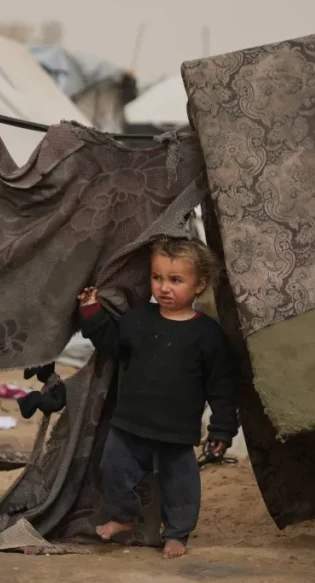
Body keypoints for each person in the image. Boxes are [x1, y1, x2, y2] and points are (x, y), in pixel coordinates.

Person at [78, 236, 239, 560]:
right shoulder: (138, 319)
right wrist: (92, 313)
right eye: (157, 277)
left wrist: (222, 429)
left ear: (199, 285)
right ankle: (124, 515)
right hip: (129, 424)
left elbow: (221, 387)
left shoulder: (208, 335)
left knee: (182, 487)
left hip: (177, 433)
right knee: (112, 468)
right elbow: (112, 345)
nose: (164, 288)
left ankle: (177, 534)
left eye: (175, 280)